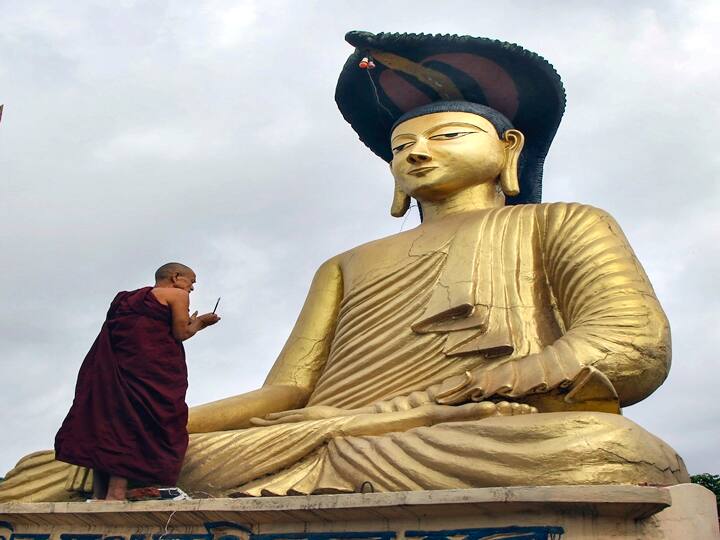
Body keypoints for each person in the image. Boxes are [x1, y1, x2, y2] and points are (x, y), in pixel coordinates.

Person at [0, 32, 688, 502]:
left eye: (446, 135)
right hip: (324, 435)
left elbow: (629, 345)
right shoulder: (345, 265)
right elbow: (289, 394)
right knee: (94, 464)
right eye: (402, 144)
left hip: (478, 427)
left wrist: (500, 381)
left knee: (592, 446)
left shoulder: (562, 223)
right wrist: (163, 428)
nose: (417, 152)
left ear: (508, 147)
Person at [52, 262, 220, 500]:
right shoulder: (178, 295)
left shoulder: (125, 299)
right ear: (176, 277)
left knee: (108, 425)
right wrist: (201, 322)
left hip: (114, 372)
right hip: (152, 374)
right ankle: (117, 492)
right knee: (136, 424)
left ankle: (101, 494)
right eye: (191, 281)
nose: (192, 287)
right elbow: (180, 333)